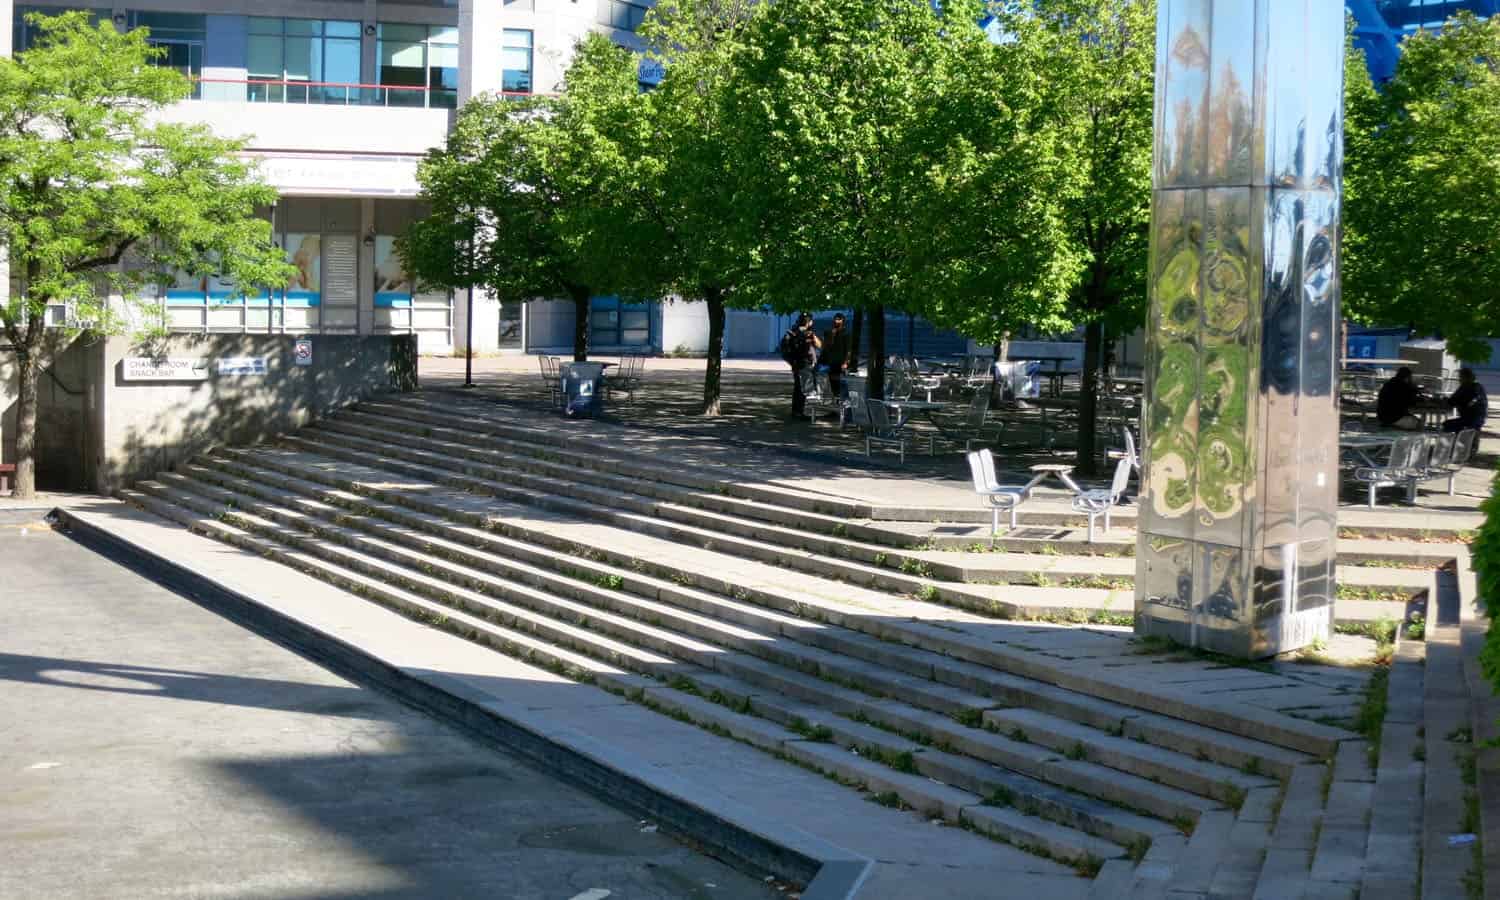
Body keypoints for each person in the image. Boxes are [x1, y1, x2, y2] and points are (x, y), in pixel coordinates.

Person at [780, 313, 820, 418]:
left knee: (798, 388)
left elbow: (785, 351)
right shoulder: (806, 333)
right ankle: (799, 412)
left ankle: (796, 411)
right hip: (804, 364)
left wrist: (792, 363)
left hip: (797, 364)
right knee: (802, 389)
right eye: (811, 321)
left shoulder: (792, 332)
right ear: (809, 322)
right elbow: (819, 345)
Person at [1443, 367, 1488, 433]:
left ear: (1465, 377)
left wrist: (1442, 400)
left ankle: (1453, 441)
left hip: (1469, 420)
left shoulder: (1465, 387)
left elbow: (1451, 402)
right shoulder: (1479, 386)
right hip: (1480, 419)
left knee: (1446, 425)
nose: (1459, 379)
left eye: (1460, 377)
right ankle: (1469, 441)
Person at [819, 312, 852, 397]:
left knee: (841, 382)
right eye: (835, 319)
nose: (836, 321)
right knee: (833, 382)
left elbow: (848, 349)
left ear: (842, 321)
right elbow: (826, 346)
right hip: (831, 361)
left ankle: (842, 400)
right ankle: (836, 399)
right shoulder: (830, 332)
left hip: (841, 362)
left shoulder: (846, 333)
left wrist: (845, 362)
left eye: (839, 319)